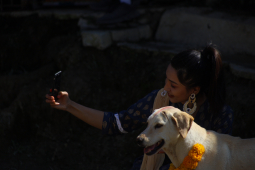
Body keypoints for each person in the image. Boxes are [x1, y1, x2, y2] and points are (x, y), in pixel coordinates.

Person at [45, 44, 233, 170]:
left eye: (173, 85)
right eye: (166, 80)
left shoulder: (220, 115)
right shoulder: (159, 100)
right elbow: (115, 123)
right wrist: (69, 105)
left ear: (195, 89)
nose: (166, 88)